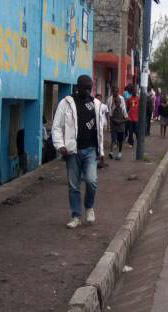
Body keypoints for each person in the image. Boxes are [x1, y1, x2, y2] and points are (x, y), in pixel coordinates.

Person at [51, 74, 105, 229]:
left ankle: (89, 207)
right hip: (72, 151)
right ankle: (75, 216)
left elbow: (99, 130)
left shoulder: (96, 104)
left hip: (90, 150)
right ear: (77, 87)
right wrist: (60, 145)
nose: (88, 91)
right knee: (73, 185)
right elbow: (56, 127)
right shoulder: (66, 103)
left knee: (91, 181)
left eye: (90, 88)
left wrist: (101, 152)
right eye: (85, 88)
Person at [107, 88, 127, 160]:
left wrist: (121, 121)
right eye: (116, 102)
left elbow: (126, 117)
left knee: (120, 141)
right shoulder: (111, 104)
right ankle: (111, 152)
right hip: (114, 126)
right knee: (113, 139)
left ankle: (119, 153)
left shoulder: (123, 108)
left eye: (118, 102)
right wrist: (112, 122)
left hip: (121, 127)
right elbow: (110, 115)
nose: (117, 103)